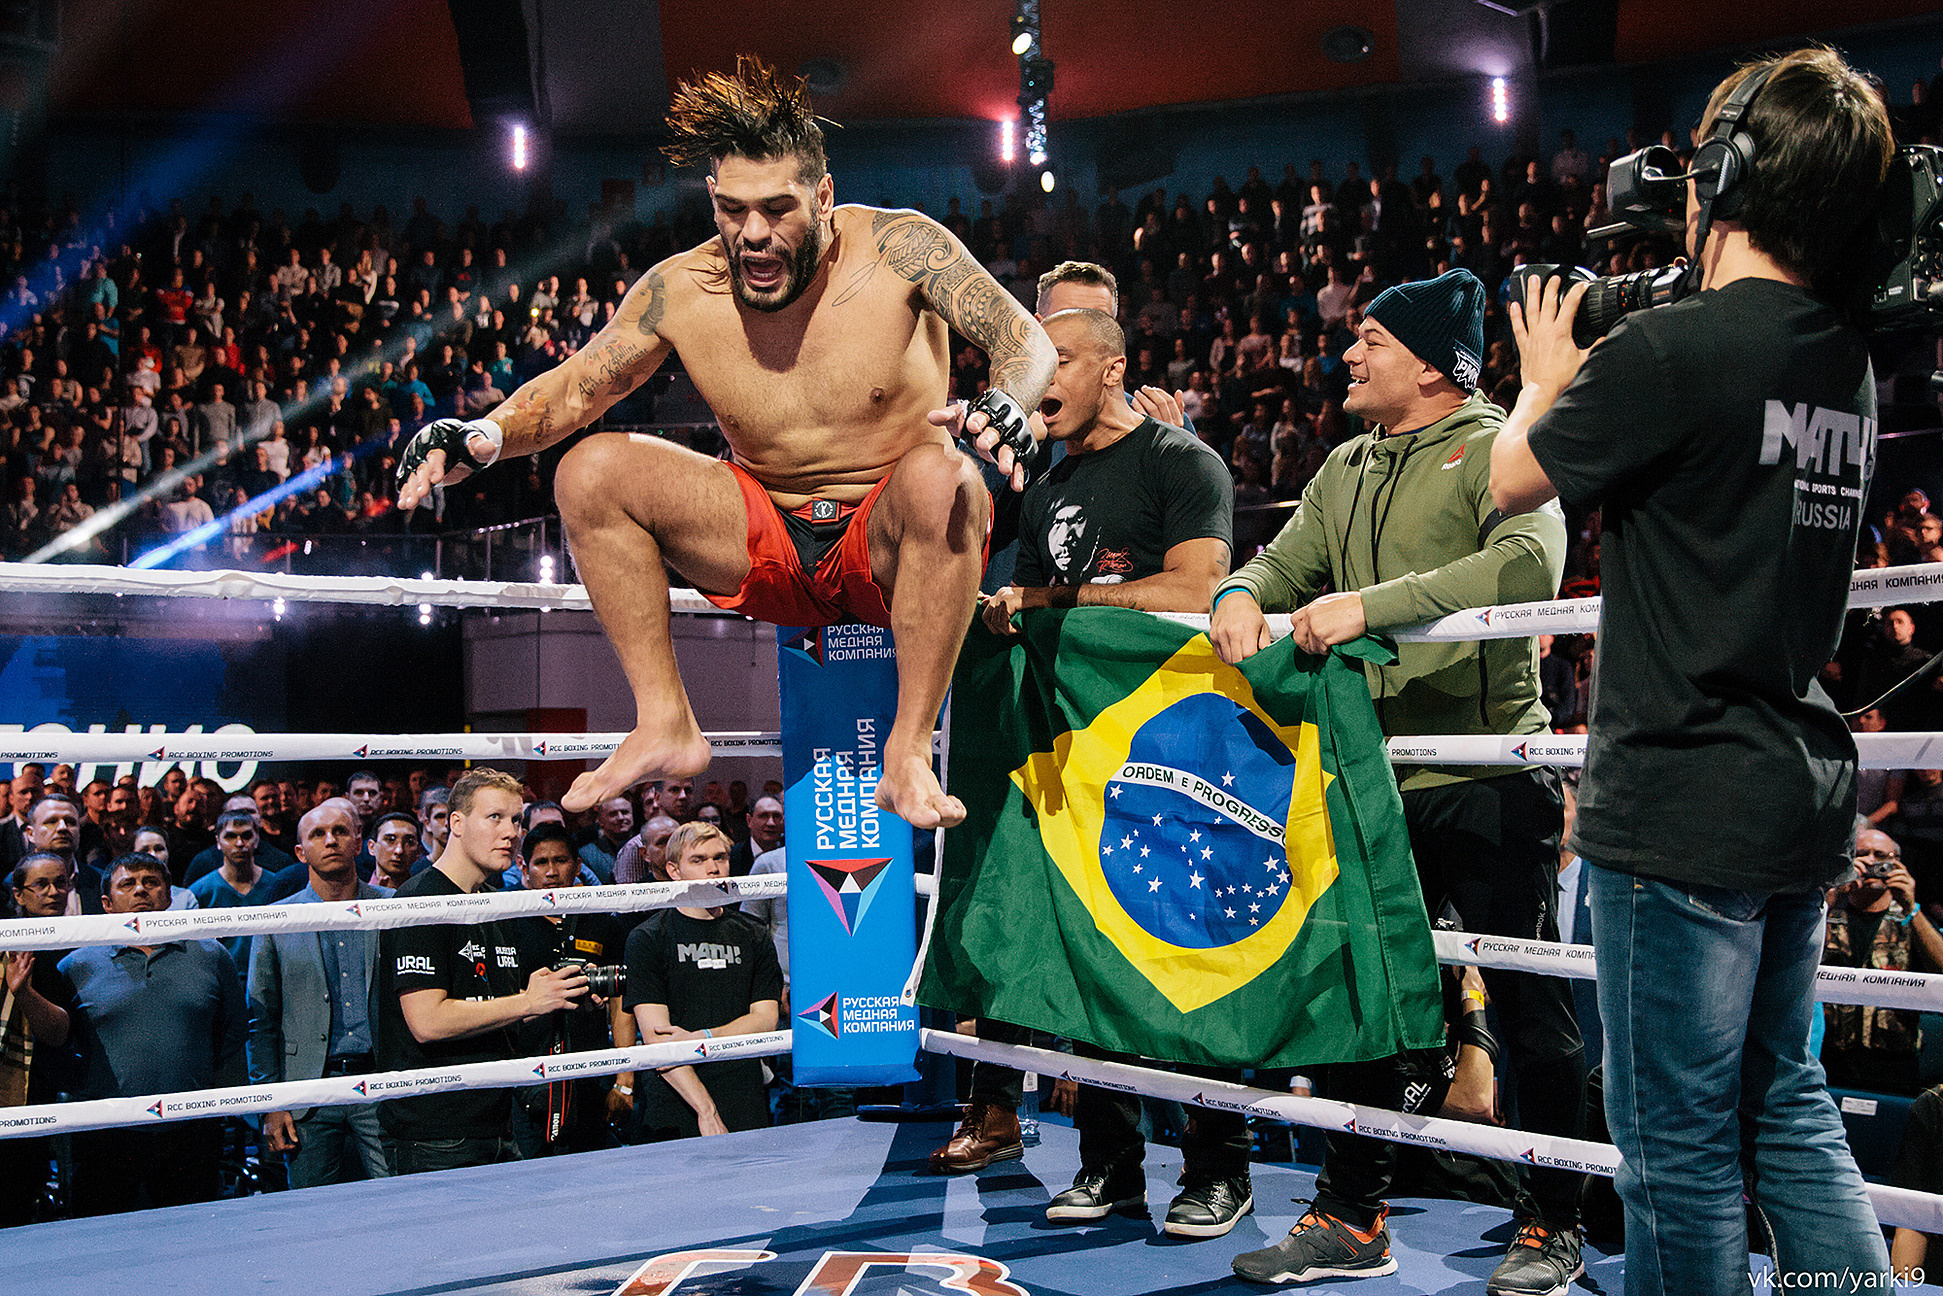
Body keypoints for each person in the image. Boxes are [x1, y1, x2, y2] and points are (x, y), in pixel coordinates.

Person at [395, 58, 1055, 831]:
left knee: (946, 477)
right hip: (762, 542)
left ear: (824, 196)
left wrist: (1008, 399)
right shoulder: (681, 289)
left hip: (888, 543)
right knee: (591, 470)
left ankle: (906, 753)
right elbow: (576, 390)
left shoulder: (901, 247)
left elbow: (1022, 338)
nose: (754, 235)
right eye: (733, 210)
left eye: (777, 210)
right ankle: (664, 720)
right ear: (712, 200)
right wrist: (477, 436)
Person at [1488, 47, 1897, 1295]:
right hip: (1790, 787)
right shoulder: (1846, 359)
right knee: (1785, 1105)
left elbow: (1507, 485)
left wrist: (1542, 380)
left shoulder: (1668, 353)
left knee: (1672, 1152)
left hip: (1677, 798)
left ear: (1720, 178)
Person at [1212, 268, 1584, 1292]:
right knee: (1363, 1003)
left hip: (1489, 774)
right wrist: (1242, 594)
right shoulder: (1343, 464)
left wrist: (1366, 606)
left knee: (1526, 1010)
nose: (1345, 352)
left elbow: (1525, 573)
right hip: (1373, 783)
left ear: (1428, 363)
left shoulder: (1496, 444)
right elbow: (1278, 566)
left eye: (1369, 339)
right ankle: (1349, 1212)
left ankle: (1554, 1221)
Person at [968, 304, 1249, 1238]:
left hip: (1180, 758)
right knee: (1089, 963)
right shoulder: (1047, 484)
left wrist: (1051, 599)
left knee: (1185, 961)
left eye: (1059, 360)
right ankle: (1109, 1165)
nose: (1038, 377)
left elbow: (1198, 589)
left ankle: (1217, 1169)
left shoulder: (1180, 462)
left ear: (1114, 369)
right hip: (1077, 756)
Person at [373, 768, 589, 1173]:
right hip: (436, 1128)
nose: (510, 832)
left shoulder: (496, 902)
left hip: (496, 1117)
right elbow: (427, 1020)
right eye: (495, 818)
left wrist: (559, 993)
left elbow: (499, 1005)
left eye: (516, 820)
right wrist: (526, 1001)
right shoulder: (420, 900)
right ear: (456, 822)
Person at [59, 852, 248, 1215]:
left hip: (191, 1129)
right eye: (127, 884)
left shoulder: (211, 954)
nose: (140, 890)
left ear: (169, 895)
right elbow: (61, 1043)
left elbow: (232, 1033)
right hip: (106, 1132)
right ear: (107, 903)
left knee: (193, 1245)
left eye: (151, 882)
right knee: (101, 1245)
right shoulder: (76, 963)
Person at [247, 799, 394, 1188]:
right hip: (307, 1092)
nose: (330, 841)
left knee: (400, 1201)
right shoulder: (276, 919)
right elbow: (260, 1021)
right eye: (318, 834)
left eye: (341, 831)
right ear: (300, 852)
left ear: (360, 842)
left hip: (381, 1082)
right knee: (312, 1216)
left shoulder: (394, 908)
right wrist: (271, 1105)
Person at [624, 822, 782, 1141]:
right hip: (677, 1098)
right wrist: (705, 1110)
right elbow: (659, 1039)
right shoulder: (648, 938)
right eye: (698, 860)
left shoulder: (753, 933)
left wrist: (703, 1038)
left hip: (743, 1092)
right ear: (674, 870)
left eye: (720, 857)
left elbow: (765, 1019)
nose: (713, 868)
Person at [504, 822, 636, 1156]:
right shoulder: (506, 923)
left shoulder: (603, 923)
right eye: (541, 862)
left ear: (578, 865)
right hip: (526, 1075)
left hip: (591, 1072)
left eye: (560, 861)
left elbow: (623, 1003)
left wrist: (625, 1078)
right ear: (523, 867)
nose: (551, 871)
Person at [1821, 827, 1940, 1095]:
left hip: (1894, 1066)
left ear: (1898, 864)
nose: (1872, 862)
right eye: (1862, 855)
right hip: (1829, 1061)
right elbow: (1797, 963)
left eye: (1881, 855)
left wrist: (1912, 906)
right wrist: (1830, 897)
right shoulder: (1830, 911)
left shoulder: (1911, 921)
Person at [0, 854, 75, 1227]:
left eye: (61, 883)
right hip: (13, 1086)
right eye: (41, 885)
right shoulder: (11, 945)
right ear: (19, 895)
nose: (53, 892)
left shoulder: (82, 938)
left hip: (45, 1089)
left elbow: (60, 1033)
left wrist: (25, 994)